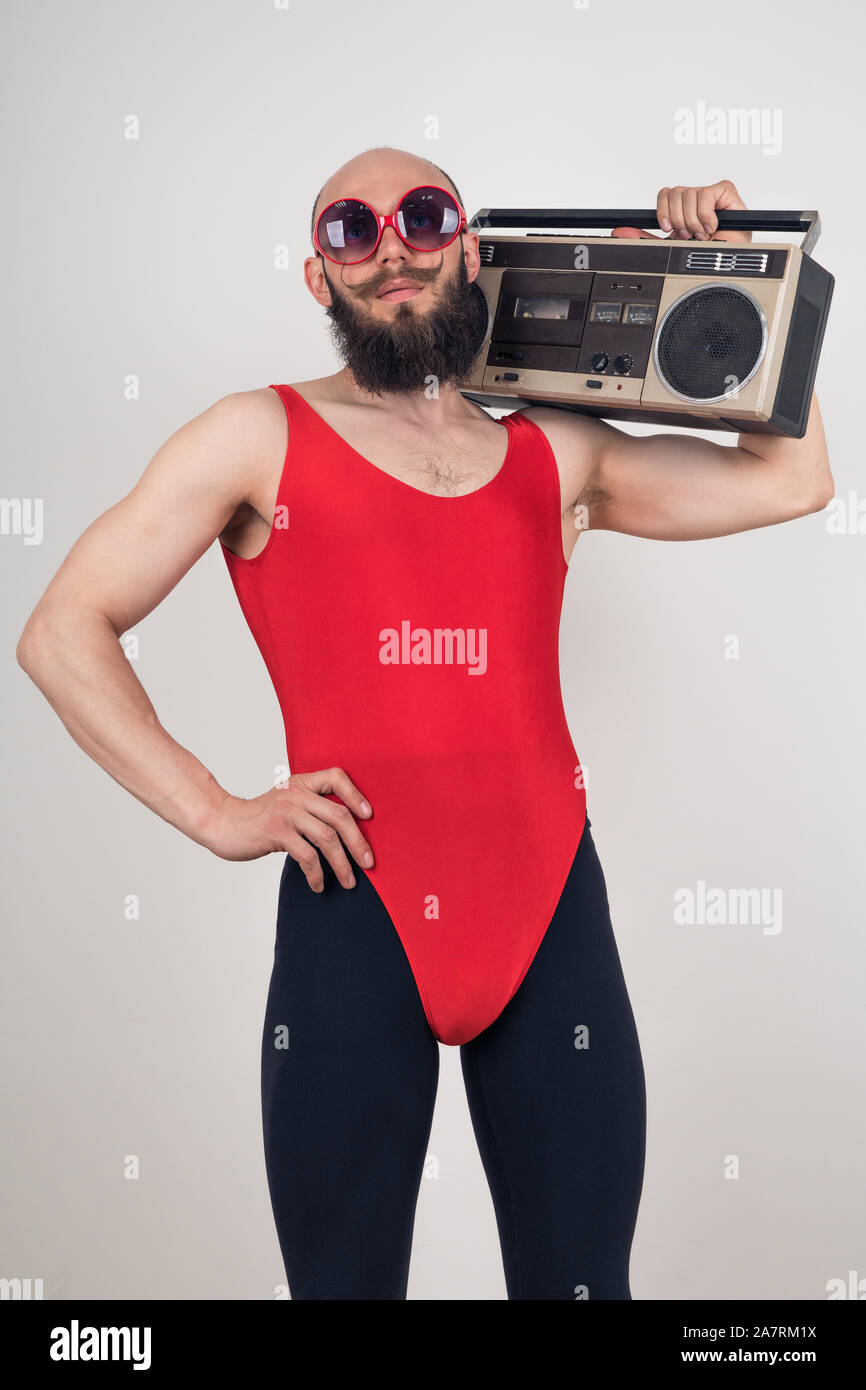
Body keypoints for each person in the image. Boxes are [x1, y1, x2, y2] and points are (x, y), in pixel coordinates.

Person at [16, 145, 833, 1300]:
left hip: (548, 912)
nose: (389, 243)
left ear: (467, 242)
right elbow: (60, 632)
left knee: (582, 1285)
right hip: (355, 912)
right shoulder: (255, 435)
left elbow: (790, 480)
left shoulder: (555, 451)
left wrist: (751, 271)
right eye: (351, 229)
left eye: (421, 213)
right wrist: (213, 808)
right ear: (319, 277)